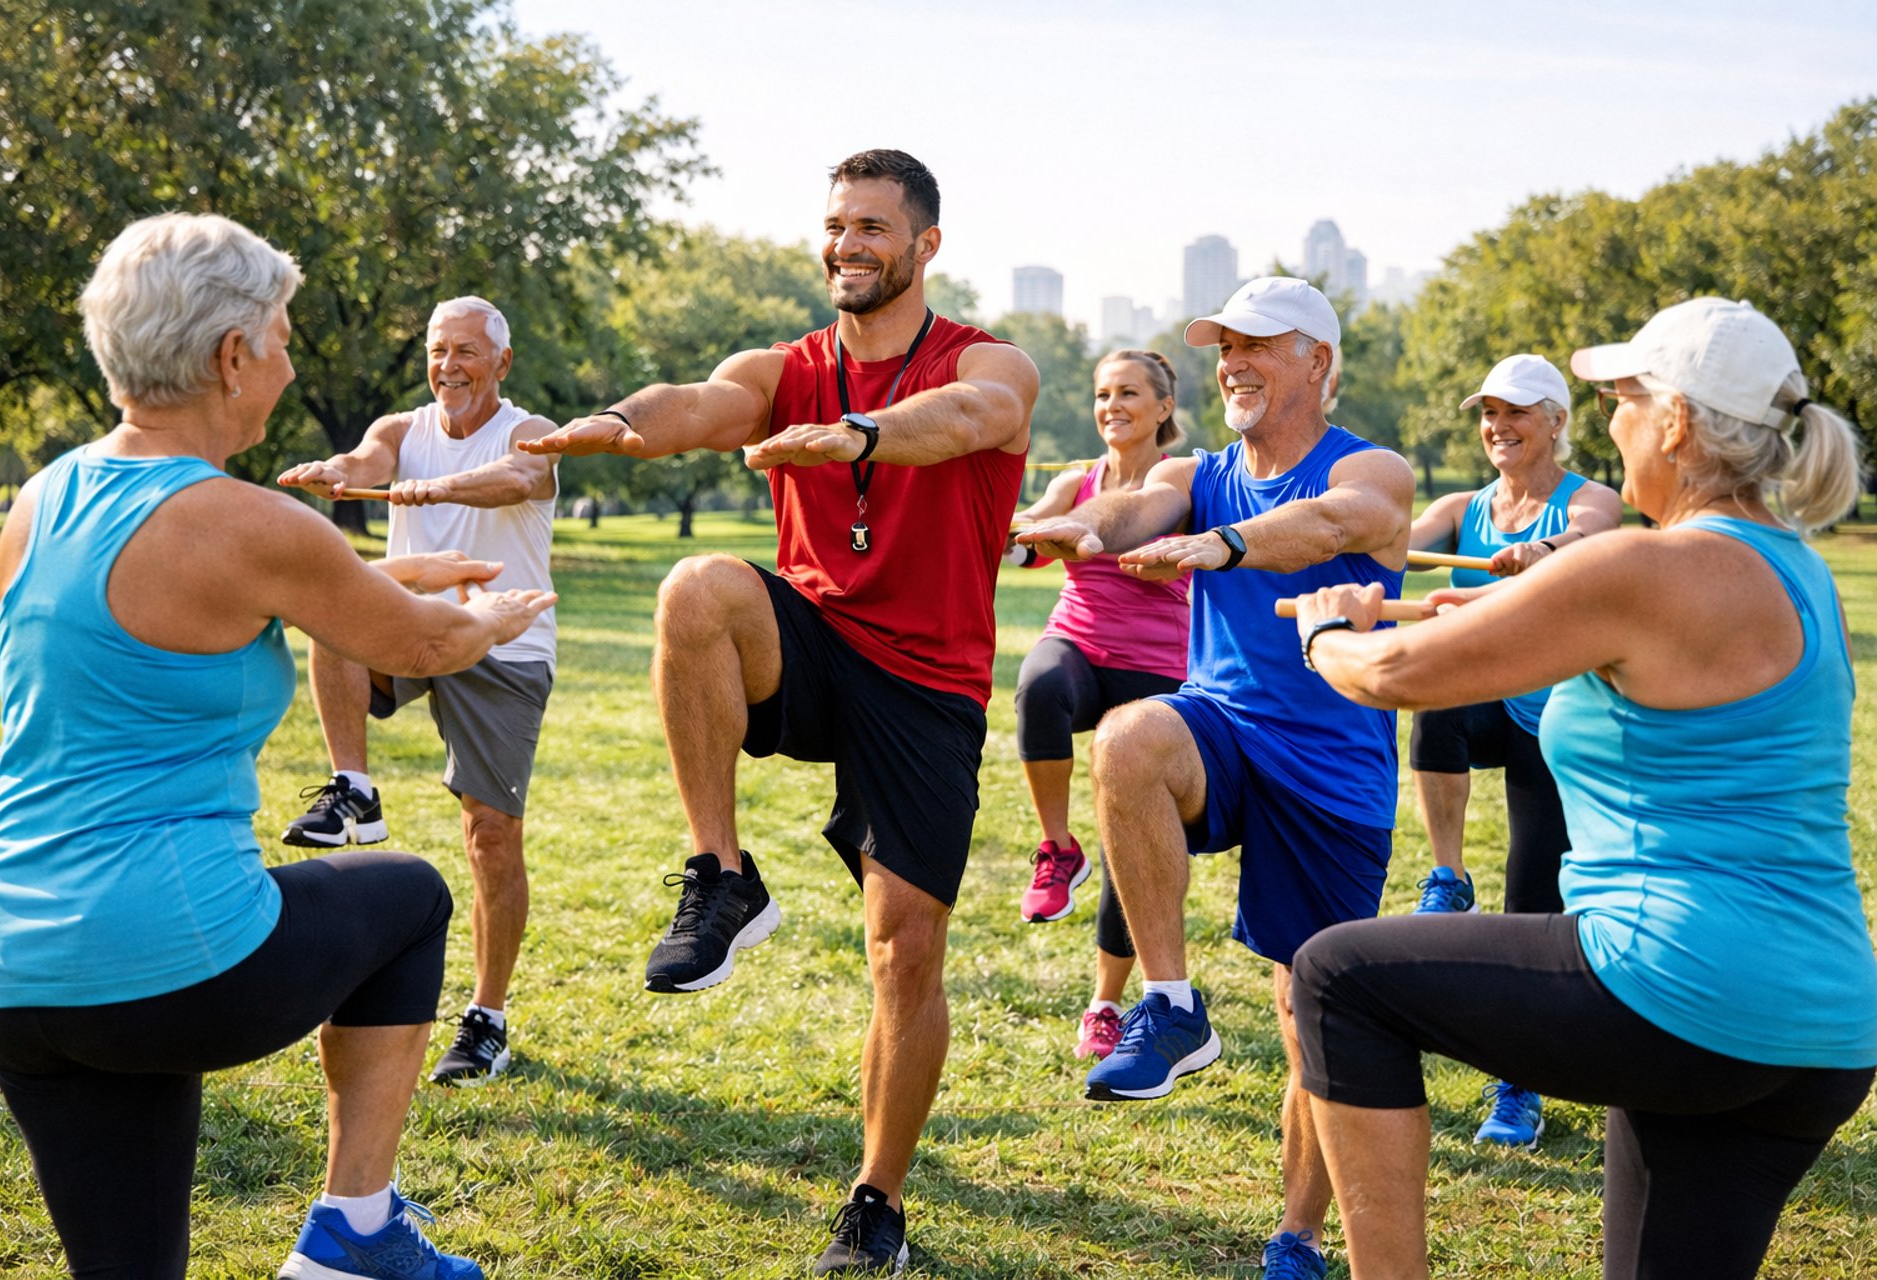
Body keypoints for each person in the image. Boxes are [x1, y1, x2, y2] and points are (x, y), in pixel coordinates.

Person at [0, 213, 555, 1279]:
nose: (285, 359)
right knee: (411, 896)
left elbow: (184, 618)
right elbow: (424, 642)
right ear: (233, 355)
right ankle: (356, 1230)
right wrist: (495, 621)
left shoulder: (43, 498)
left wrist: (390, 581)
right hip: (170, 950)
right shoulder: (243, 522)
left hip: (13, 961)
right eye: (280, 336)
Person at [521, 149, 1037, 1275]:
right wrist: (614, 422)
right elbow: (700, 405)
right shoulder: (788, 365)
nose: (847, 244)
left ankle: (875, 1198)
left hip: (926, 683)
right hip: (809, 641)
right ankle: (723, 873)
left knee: (905, 952)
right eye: (837, 223)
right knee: (697, 586)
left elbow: (967, 416)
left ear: (924, 246)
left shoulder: (986, 360)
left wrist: (856, 436)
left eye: (873, 227)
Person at [1290, 297, 1875, 1280]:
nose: (1613, 422)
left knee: (1339, 978)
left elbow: (1394, 676)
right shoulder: (1799, 570)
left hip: (1676, 983)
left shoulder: (1643, 565)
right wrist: (1513, 604)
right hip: (1822, 1024)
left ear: (1678, 422)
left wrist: (1328, 631)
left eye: (1624, 400)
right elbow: (1631, 639)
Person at [1017, 277, 1413, 1280]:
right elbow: (1141, 500)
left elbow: (1337, 521)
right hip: (1223, 728)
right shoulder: (1202, 469)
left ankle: (1298, 1234)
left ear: (1316, 362)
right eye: (1223, 343)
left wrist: (1225, 544)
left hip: (1330, 771)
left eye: (1258, 344)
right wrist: (1087, 524)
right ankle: (1173, 1003)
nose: (1232, 360)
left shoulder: (1371, 465)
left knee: (1310, 1015)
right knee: (1126, 738)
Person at [277, 296, 559, 1086]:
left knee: (491, 837)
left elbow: (517, 479)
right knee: (333, 609)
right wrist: (338, 474)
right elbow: (365, 462)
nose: (449, 367)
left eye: (467, 352)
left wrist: (442, 492)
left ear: (501, 363)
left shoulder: (530, 431)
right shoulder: (403, 432)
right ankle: (354, 790)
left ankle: (488, 1019)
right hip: (411, 624)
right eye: (438, 351)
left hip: (507, 639)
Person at [1403, 354, 1621, 1146]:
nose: (1498, 426)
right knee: (1438, 706)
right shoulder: (1464, 504)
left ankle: (1518, 1086)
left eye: (1516, 412)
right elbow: (1395, 539)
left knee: (1532, 911)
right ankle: (1448, 875)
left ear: (1557, 422)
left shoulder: (1587, 497)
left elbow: (1595, 536)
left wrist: (1547, 550)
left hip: (1555, 723)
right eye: (1488, 413)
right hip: (1490, 698)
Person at [1007, 349, 1190, 1062]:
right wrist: (1008, 533)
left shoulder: (1187, 480)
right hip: (1080, 645)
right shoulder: (1075, 480)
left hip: (1158, 668)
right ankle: (1058, 849)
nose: (1112, 405)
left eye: (1129, 393)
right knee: (1040, 684)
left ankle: (1107, 1002)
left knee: (1133, 846)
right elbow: (1032, 541)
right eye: (1102, 393)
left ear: (1164, 407)